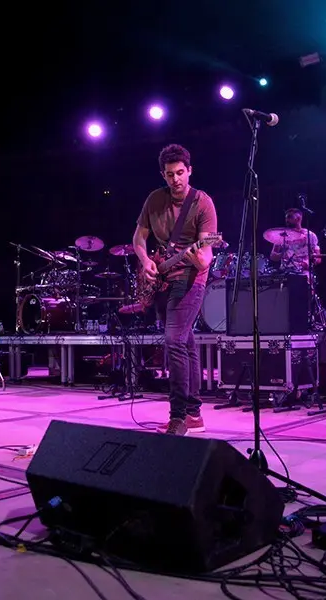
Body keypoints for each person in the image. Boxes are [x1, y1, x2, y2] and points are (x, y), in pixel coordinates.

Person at [133, 144, 218, 436]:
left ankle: (178, 417)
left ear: (189, 170)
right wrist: (145, 261)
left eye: (180, 173)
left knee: (173, 341)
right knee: (186, 342)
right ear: (163, 174)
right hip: (163, 278)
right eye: (170, 174)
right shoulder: (154, 200)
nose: (176, 179)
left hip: (192, 279)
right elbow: (138, 238)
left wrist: (199, 256)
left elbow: (206, 255)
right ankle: (194, 414)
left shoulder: (202, 203)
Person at [268, 207, 322, 274]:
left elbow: (319, 258)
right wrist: (282, 254)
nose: (287, 220)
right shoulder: (282, 235)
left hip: (304, 273)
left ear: (298, 219)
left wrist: (310, 262)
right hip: (286, 273)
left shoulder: (310, 235)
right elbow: (272, 256)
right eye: (286, 218)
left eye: (290, 217)